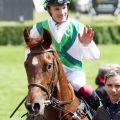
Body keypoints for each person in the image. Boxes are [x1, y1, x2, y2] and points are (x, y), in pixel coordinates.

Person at [29, 0, 100, 113]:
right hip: (48, 76)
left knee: (85, 89)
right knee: (33, 97)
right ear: (49, 10)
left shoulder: (79, 27)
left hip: (73, 75)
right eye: (57, 9)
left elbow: (95, 56)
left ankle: (101, 111)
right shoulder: (38, 28)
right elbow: (29, 53)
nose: (62, 12)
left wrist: (86, 44)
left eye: (64, 8)